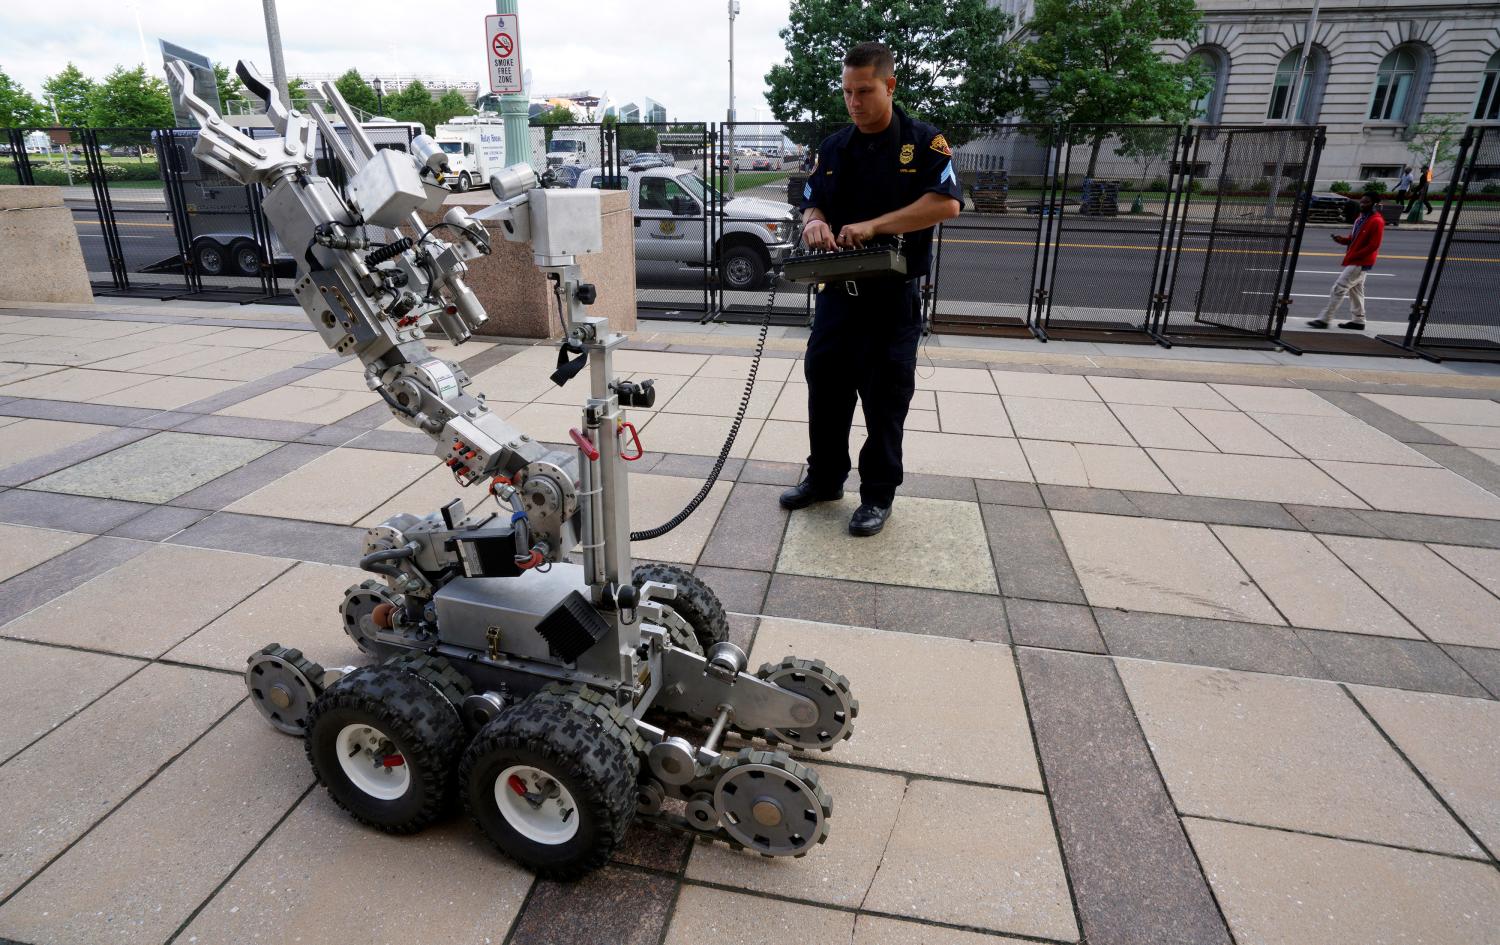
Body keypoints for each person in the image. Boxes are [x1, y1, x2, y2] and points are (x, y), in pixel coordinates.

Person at [779, 41, 962, 536]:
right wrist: (814, 221)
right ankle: (824, 479)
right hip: (838, 299)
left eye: (864, 91)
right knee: (826, 391)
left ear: (890, 85)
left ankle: (876, 496)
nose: (854, 102)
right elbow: (813, 202)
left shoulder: (925, 142)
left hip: (891, 302)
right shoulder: (836, 147)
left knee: (885, 401)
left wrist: (875, 225)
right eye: (847, 92)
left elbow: (946, 204)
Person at [1308, 192, 1384, 331]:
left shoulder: (1376, 221)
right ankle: (1359, 321)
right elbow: (1354, 238)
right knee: (1356, 292)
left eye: (1366, 202)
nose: (1362, 204)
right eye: (1361, 201)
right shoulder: (1361, 219)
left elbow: (1374, 245)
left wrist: (1355, 254)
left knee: (1338, 288)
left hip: (1360, 262)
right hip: (1357, 261)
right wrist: (1342, 240)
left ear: (1374, 204)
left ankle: (1325, 319)